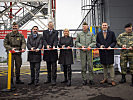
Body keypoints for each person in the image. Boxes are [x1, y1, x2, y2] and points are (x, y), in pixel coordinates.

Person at [4, 22, 26, 88]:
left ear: (18, 27)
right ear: (12, 27)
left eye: (16, 26)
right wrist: (11, 48)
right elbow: (5, 44)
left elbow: (23, 42)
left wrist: (23, 48)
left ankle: (17, 79)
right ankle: (10, 81)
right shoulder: (8, 35)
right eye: (13, 27)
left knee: (18, 66)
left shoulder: (21, 35)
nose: (14, 28)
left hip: (18, 53)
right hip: (11, 53)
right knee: (10, 67)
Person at [42, 21, 58, 86]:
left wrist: (54, 45)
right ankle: (48, 79)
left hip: (53, 51)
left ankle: (54, 79)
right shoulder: (44, 32)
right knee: (48, 66)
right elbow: (44, 40)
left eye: (52, 25)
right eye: (49, 25)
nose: (51, 26)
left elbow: (56, 40)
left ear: (53, 26)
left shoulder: (56, 32)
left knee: (54, 66)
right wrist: (46, 45)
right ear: (48, 25)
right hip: (47, 52)